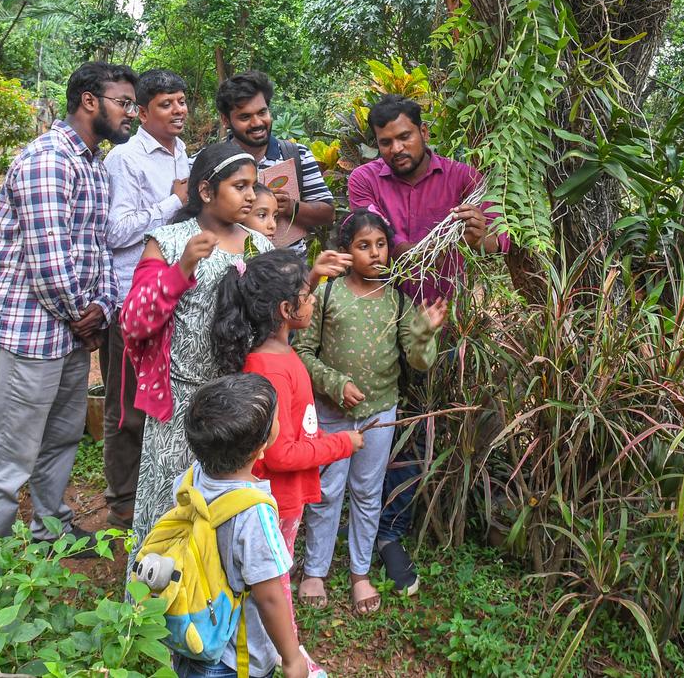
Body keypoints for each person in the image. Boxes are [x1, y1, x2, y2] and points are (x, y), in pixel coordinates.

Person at [346, 94, 507, 594]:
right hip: (386, 326)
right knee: (397, 429)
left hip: (454, 325)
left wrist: (479, 234)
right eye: (385, 142)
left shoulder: (463, 177)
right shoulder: (365, 181)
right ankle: (389, 535)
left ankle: (460, 519)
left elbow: (501, 243)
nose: (395, 148)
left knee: (446, 422)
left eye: (404, 136)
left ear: (423, 131)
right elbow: (377, 246)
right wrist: (440, 235)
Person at [0, 62, 134, 547]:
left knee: (60, 439)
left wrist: (101, 308)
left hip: (67, 337)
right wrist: (82, 319)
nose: (131, 113)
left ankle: (51, 530)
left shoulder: (93, 167)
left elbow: (100, 248)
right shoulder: (49, 161)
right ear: (89, 100)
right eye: (123, 102)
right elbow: (49, 260)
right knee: (6, 456)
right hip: (27, 335)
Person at [121, 141, 274, 549]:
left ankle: (215, 604)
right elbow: (134, 321)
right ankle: (152, 605)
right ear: (206, 191)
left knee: (227, 514)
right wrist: (182, 267)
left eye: (253, 186)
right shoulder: (170, 242)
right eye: (239, 186)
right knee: (170, 511)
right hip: (180, 405)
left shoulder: (259, 246)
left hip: (240, 408)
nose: (250, 195)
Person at [212, 249, 359, 669]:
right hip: (276, 497)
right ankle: (285, 654)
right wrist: (342, 444)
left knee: (273, 577)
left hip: (281, 495)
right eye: (305, 294)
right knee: (272, 583)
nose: (312, 299)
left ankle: (279, 645)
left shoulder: (279, 353)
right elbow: (279, 454)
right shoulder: (270, 369)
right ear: (284, 309)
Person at [294, 209, 446, 612]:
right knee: (326, 492)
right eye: (364, 246)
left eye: (380, 245)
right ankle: (315, 570)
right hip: (331, 412)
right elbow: (303, 351)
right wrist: (333, 383)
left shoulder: (398, 300)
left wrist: (424, 332)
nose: (375, 254)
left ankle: (359, 572)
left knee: (366, 491)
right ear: (345, 252)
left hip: (380, 412)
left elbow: (417, 360)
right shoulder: (327, 294)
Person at [100, 68, 189, 531]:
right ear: (141, 111)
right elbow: (115, 232)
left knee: (161, 397)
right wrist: (173, 203)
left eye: (181, 101)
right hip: (132, 301)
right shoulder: (125, 159)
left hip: (171, 296)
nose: (178, 111)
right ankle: (121, 501)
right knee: (127, 405)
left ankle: (157, 490)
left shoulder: (182, 154)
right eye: (166, 104)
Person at [177, 373, 310, 678]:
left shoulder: (193, 478)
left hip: (193, 630)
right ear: (259, 448)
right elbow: (269, 596)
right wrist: (291, 658)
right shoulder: (254, 514)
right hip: (234, 658)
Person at [215, 71, 334, 256]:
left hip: (291, 276)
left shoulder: (297, 155)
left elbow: (328, 214)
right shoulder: (211, 163)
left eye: (262, 112)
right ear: (225, 120)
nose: (257, 123)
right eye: (245, 117)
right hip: (232, 276)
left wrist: (291, 207)